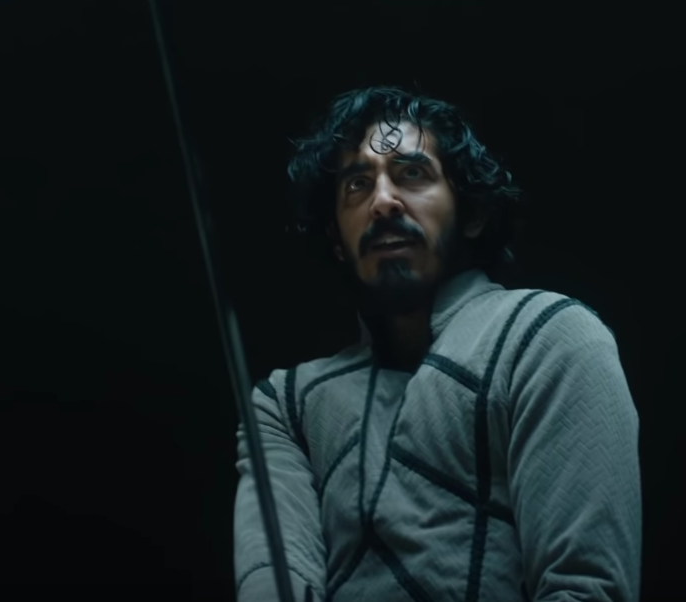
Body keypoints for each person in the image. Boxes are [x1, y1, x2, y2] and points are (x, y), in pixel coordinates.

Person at [233, 86, 642, 602]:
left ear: (470, 213)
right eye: (358, 184)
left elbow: (585, 589)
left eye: (412, 173)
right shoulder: (286, 403)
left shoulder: (549, 334)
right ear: (336, 239)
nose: (383, 201)